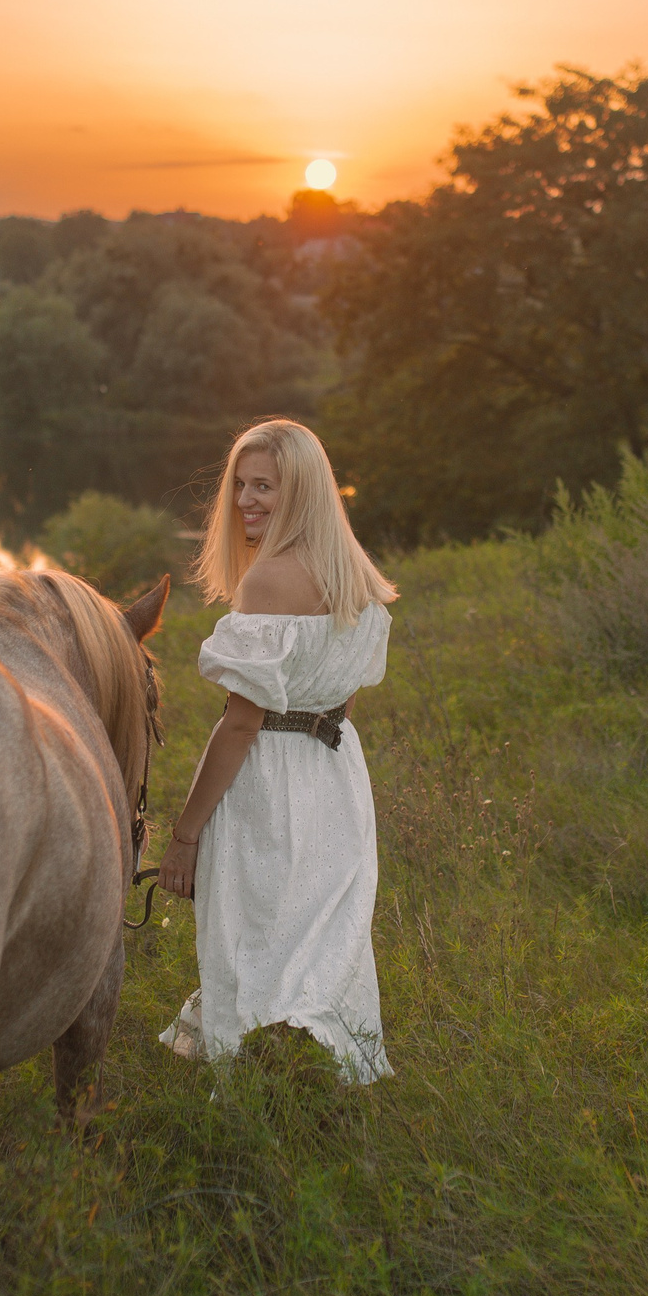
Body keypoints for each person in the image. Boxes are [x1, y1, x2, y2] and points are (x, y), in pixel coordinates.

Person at [157, 418, 398, 1083]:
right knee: (322, 943)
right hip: (337, 775)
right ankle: (327, 1083)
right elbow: (345, 701)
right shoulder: (359, 578)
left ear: (303, 492)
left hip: (270, 780)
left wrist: (184, 836)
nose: (245, 501)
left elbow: (240, 725)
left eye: (265, 486)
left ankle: (248, 1096)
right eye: (241, 485)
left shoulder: (267, 583)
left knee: (252, 942)